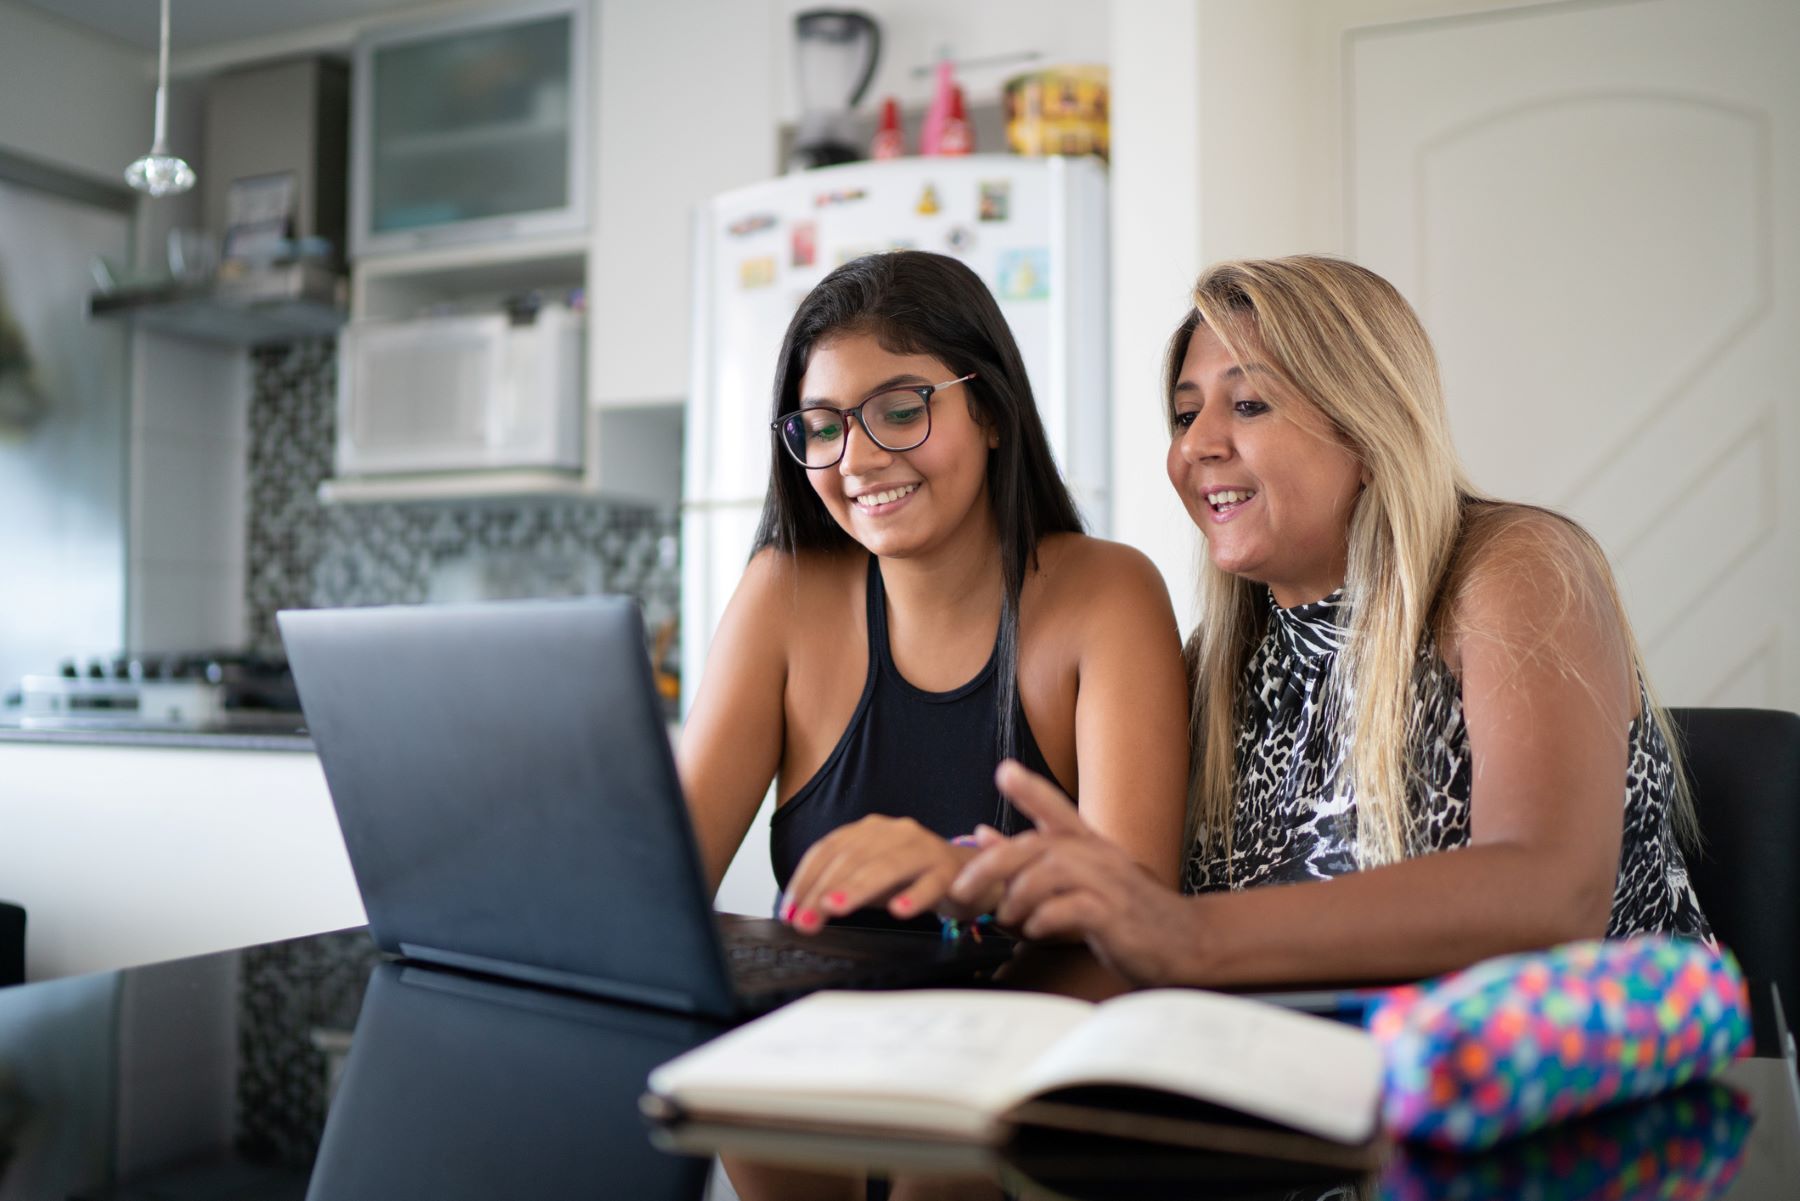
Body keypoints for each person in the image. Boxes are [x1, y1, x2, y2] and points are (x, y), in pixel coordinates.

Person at [951, 254, 1712, 986]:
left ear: (1368, 429)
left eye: (1248, 404)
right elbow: (1118, 929)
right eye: (1186, 413)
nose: (1196, 444)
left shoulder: (1512, 567)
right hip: (1310, 1089)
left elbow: (1550, 895)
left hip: (1574, 1083)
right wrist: (964, 892)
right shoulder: (1218, 665)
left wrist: (1188, 936)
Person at [678, 250, 1188, 933]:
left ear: (992, 413)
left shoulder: (1108, 595)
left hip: (1030, 1034)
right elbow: (665, 890)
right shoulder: (781, 595)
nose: (856, 459)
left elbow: (1144, 932)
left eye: (900, 409)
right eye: (825, 426)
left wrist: (969, 878)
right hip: (817, 1031)